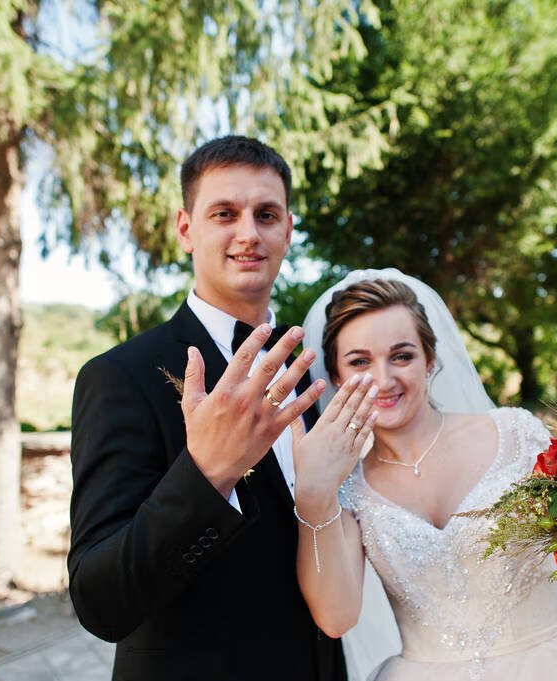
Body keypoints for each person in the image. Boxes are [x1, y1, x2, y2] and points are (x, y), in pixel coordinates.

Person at [67, 136, 370, 681]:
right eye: (224, 213)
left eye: (266, 214)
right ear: (187, 229)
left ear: (288, 231)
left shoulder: (311, 376)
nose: (248, 233)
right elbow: (100, 601)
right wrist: (207, 473)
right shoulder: (120, 377)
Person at [294, 269, 557, 681]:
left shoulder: (516, 435)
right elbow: (335, 618)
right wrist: (314, 492)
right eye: (359, 362)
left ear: (431, 359)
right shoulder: (350, 489)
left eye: (402, 356)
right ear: (336, 376)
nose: (383, 380)